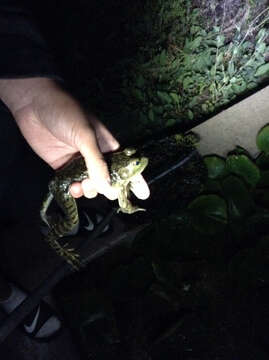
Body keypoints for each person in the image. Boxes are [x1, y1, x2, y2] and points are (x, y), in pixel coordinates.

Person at [0, 2, 149, 340]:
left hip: (23, 142)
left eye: (133, 158)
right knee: (60, 212)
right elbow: (122, 198)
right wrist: (125, 203)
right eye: (134, 162)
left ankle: (64, 222)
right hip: (63, 183)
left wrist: (30, 92)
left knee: (26, 184)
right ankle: (46, 249)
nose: (137, 161)